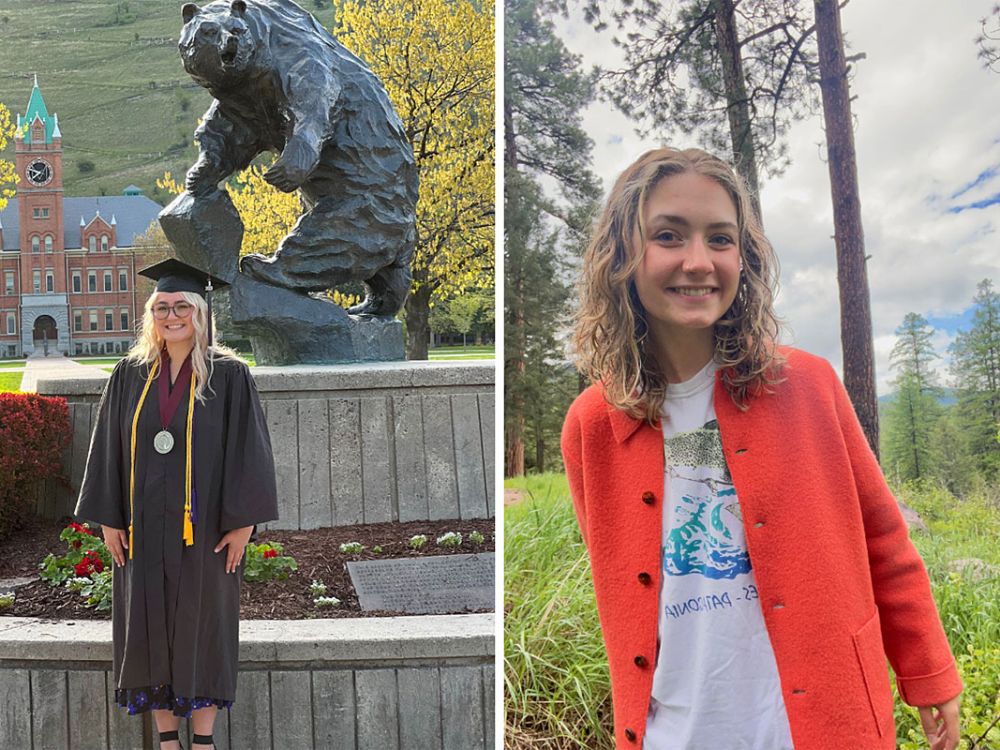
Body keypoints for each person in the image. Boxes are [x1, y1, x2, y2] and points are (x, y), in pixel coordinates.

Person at [561, 148, 962, 750]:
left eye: (720, 239)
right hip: (677, 729)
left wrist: (928, 670)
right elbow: (619, 580)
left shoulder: (806, 385)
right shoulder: (591, 424)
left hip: (825, 722)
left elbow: (884, 538)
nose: (698, 262)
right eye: (669, 235)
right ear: (621, 256)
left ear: (743, 259)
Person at [75, 258, 279, 750]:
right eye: (162, 306)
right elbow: (107, 446)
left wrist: (243, 523)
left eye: (182, 305)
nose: (172, 315)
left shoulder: (229, 375)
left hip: (205, 529)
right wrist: (108, 519)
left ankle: (203, 741)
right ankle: (167, 739)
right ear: (151, 314)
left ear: (200, 312)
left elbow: (249, 449)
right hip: (142, 528)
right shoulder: (129, 374)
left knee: (203, 625)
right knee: (148, 628)